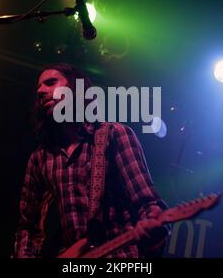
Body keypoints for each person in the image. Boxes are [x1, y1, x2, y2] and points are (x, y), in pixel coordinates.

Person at [12, 63, 169, 258]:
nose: (41, 91)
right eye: (39, 87)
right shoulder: (41, 157)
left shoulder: (114, 134)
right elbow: (28, 226)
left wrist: (152, 222)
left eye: (51, 83)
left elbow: (148, 203)